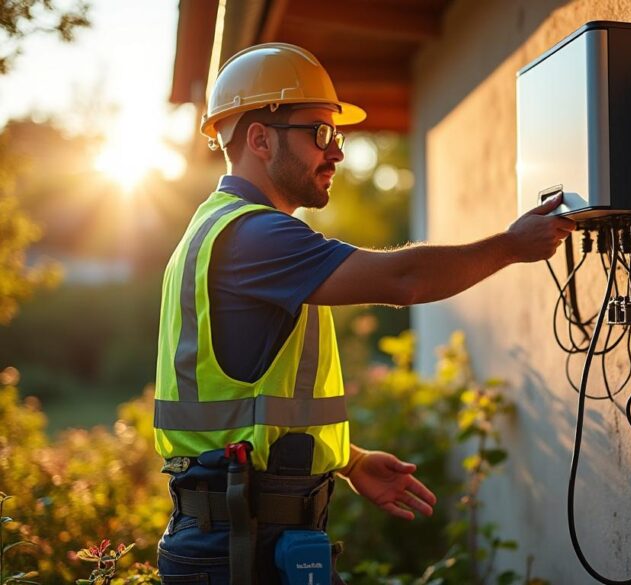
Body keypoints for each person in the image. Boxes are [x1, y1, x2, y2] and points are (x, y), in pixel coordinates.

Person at [152, 43, 573, 585]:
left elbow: (244, 412)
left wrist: (348, 461)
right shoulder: (253, 236)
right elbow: (405, 279)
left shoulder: (218, 230)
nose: (337, 153)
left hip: (240, 532)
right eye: (320, 134)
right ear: (259, 138)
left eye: (338, 137)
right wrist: (513, 245)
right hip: (237, 545)